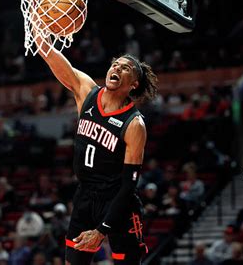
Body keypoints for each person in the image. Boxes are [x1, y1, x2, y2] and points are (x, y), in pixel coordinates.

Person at [34, 34, 158, 264]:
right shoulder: (87, 93)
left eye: (126, 68)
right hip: (86, 195)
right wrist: (39, 34)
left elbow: (129, 185)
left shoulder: (134, 124)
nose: (118, 68)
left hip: (119, 201)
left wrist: (101, 231)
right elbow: (57, 61)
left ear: (134, 84)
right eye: (116, 64)